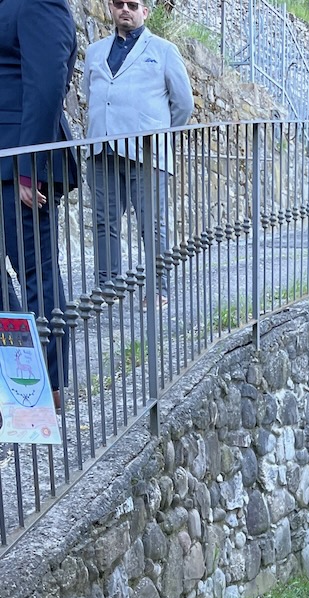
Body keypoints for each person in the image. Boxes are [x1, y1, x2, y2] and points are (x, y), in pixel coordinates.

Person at [82, 0, 193, 302]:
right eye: (119, 4)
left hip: (146, 153)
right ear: (110, 8)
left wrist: (160, 137)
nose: (125, 10)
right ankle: (107, 287)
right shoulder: (95, 52)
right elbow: (89, 92)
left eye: (133, 4)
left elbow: (183, 104)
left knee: (151, 221)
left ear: (145, 11)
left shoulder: (164, 50)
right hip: (102, 148)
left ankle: (158, 288)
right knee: (105, 220)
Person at [0, 0, 78, 402]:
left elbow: (49, 81)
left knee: (35, 276)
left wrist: (27, 166)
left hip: (19, 163)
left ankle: (47, 383)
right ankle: (15, 375)